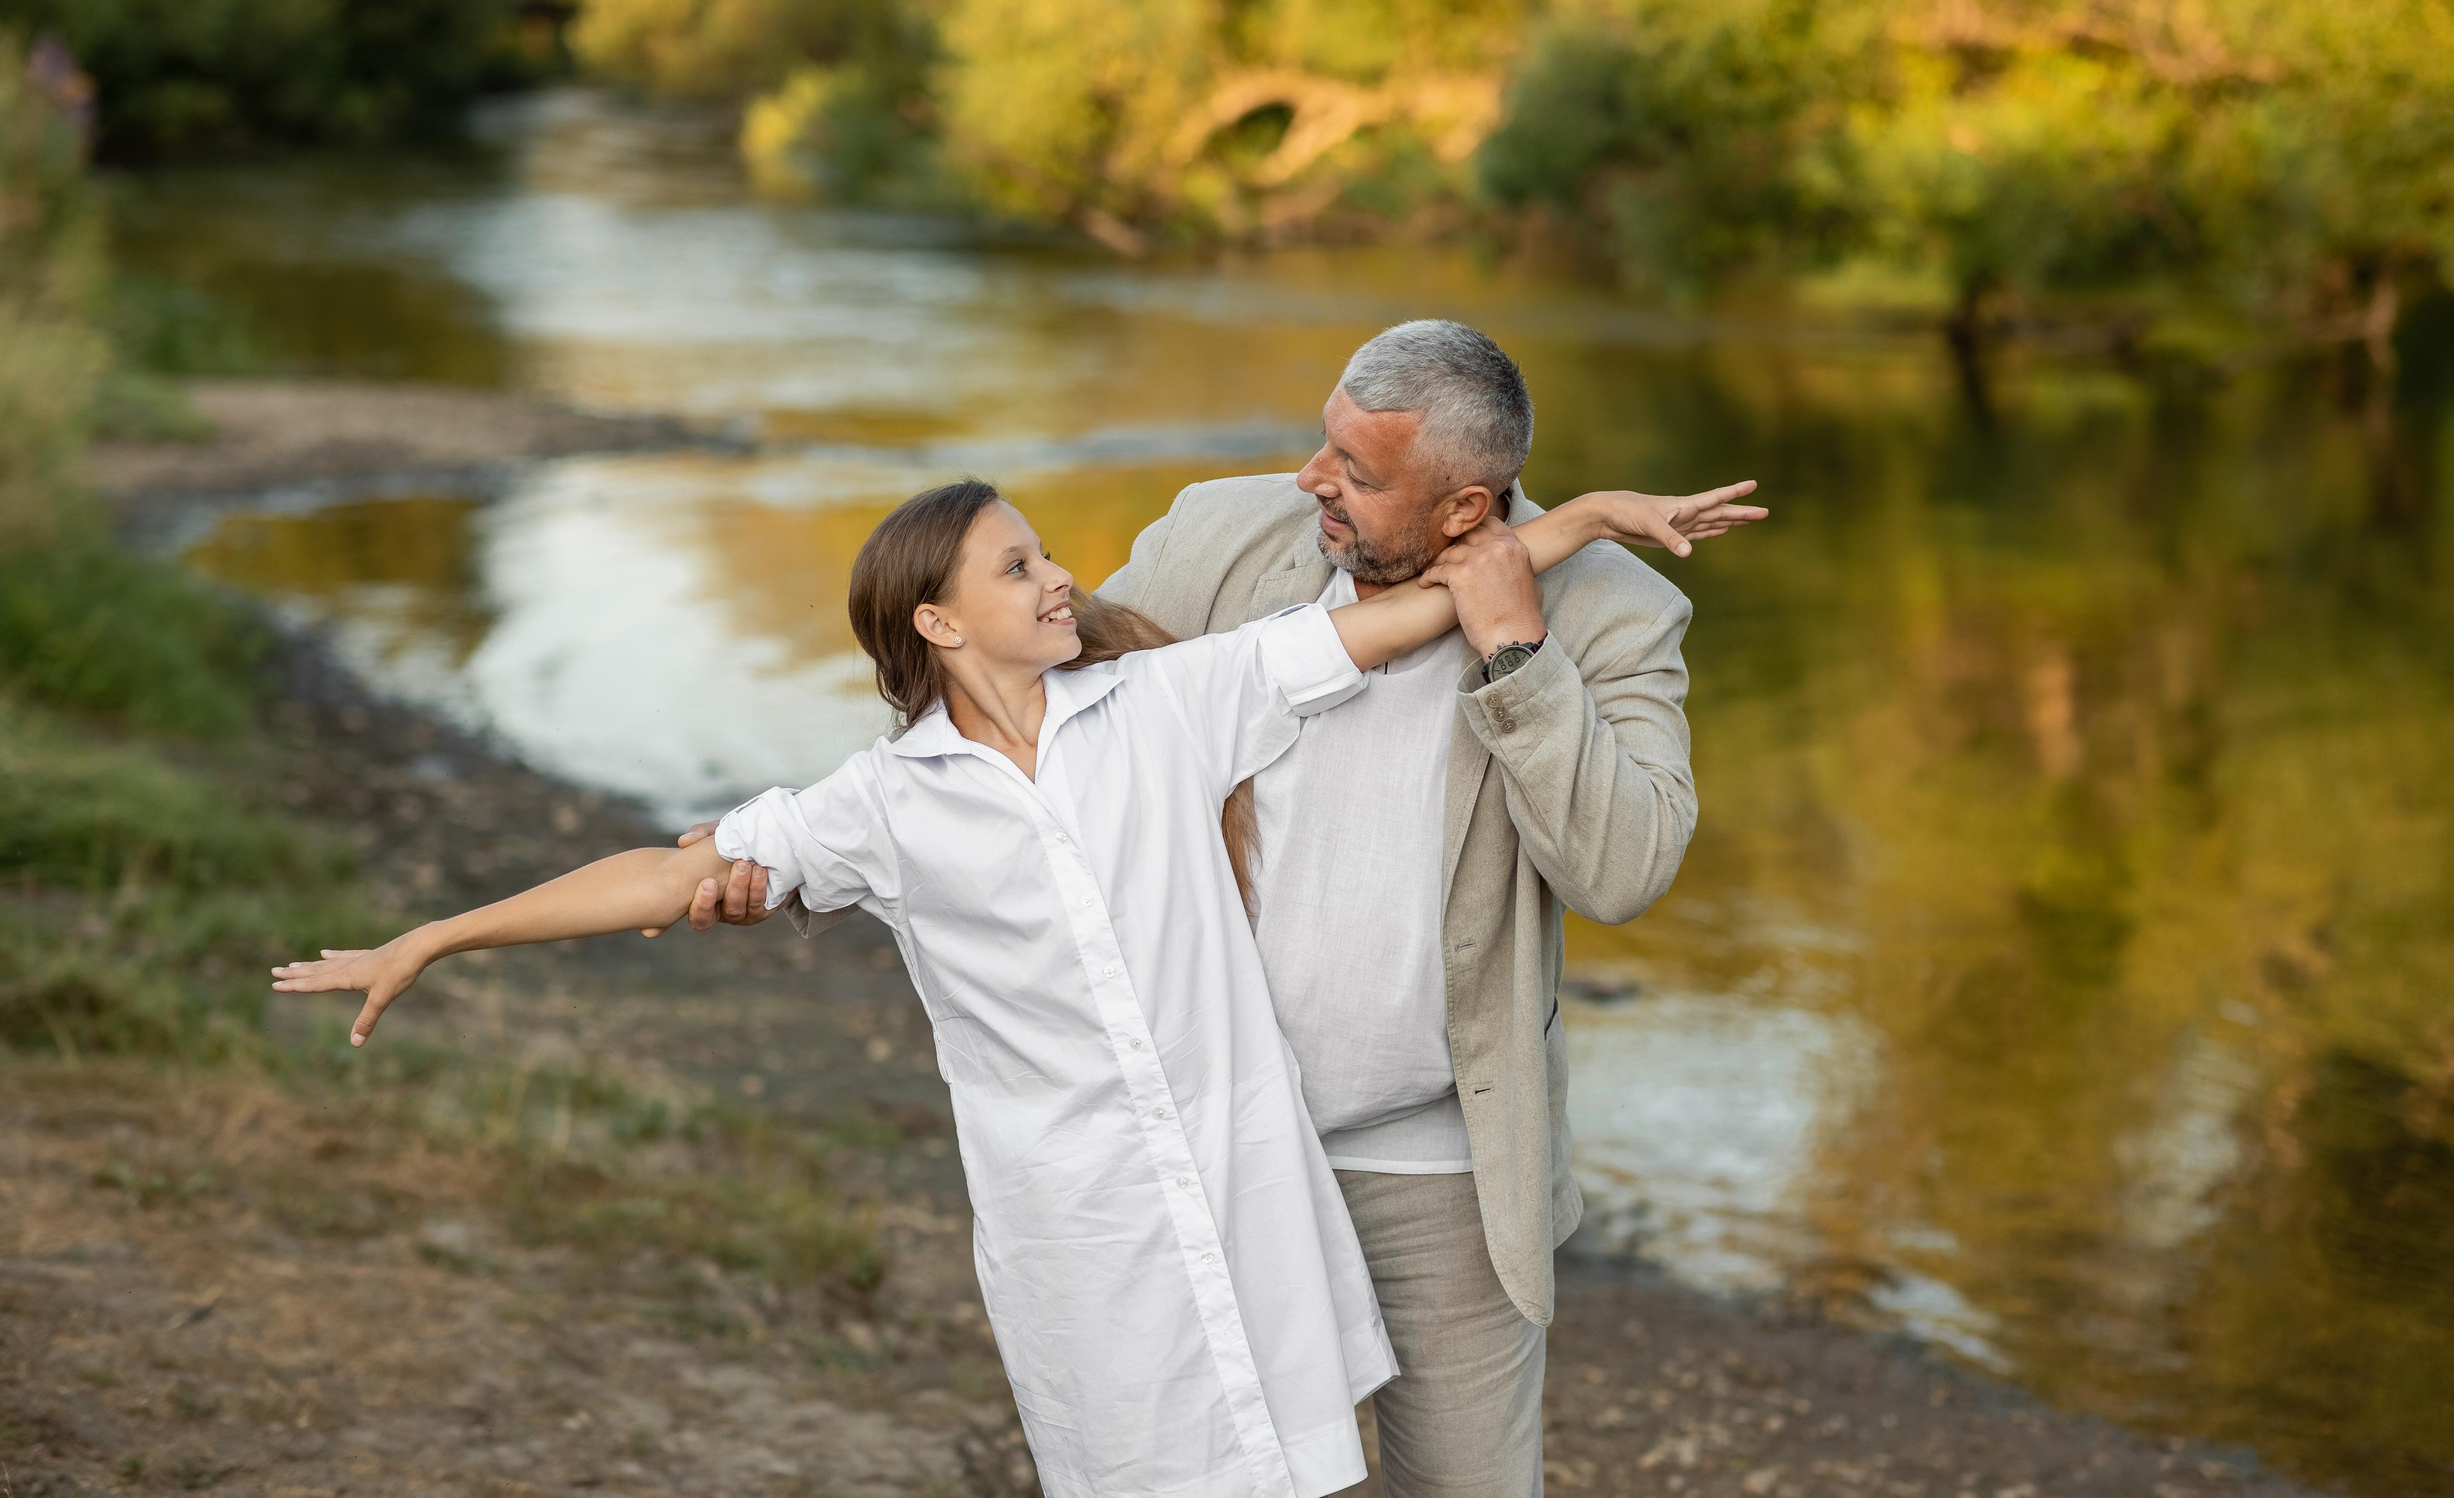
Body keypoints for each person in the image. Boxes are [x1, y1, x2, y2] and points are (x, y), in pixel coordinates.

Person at [271, 468, 1762, 1498]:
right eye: (1022, 566)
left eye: (1048, 555)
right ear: (936, 621)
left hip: (1251, 1209)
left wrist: (1578, 523)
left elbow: (1408, 614)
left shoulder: (1171, 705)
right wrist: (434, 936)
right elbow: (667, 873)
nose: (1064, 579)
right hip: (1088, 1246)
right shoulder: (881, 804)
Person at [688, 321, 1749, 1497]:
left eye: (1357, 471)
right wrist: (778, 853)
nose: (1314, 481)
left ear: (1465, 509)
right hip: (1205, 1152)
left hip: (1434, 1166)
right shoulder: (1220, 537)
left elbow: (1626, 868)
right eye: (1323, 444)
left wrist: (1514, 650)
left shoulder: (1613, 612)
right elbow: (1004, 706)